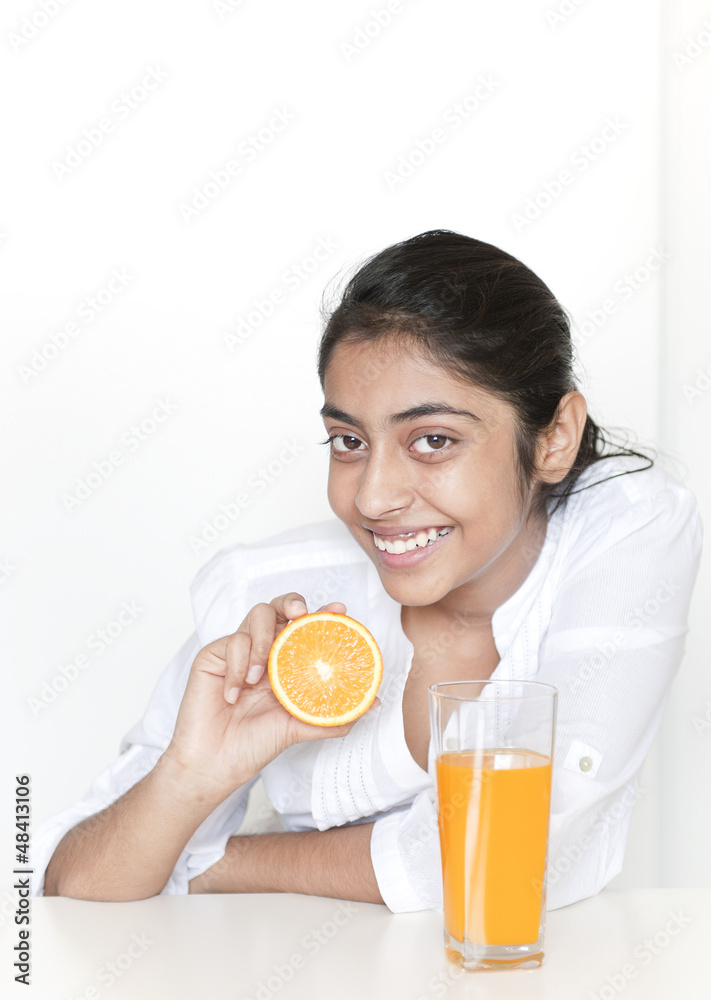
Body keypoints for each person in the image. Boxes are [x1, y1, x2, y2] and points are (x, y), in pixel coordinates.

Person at [34, 229, 702, 910]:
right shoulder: (265, 595)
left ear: (554, 437)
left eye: (433, 440)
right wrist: (189, 778)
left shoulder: (629, 527)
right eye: (348, 441)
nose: (372, 496)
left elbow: (516, 853)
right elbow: (70, 884)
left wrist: (219, 859)